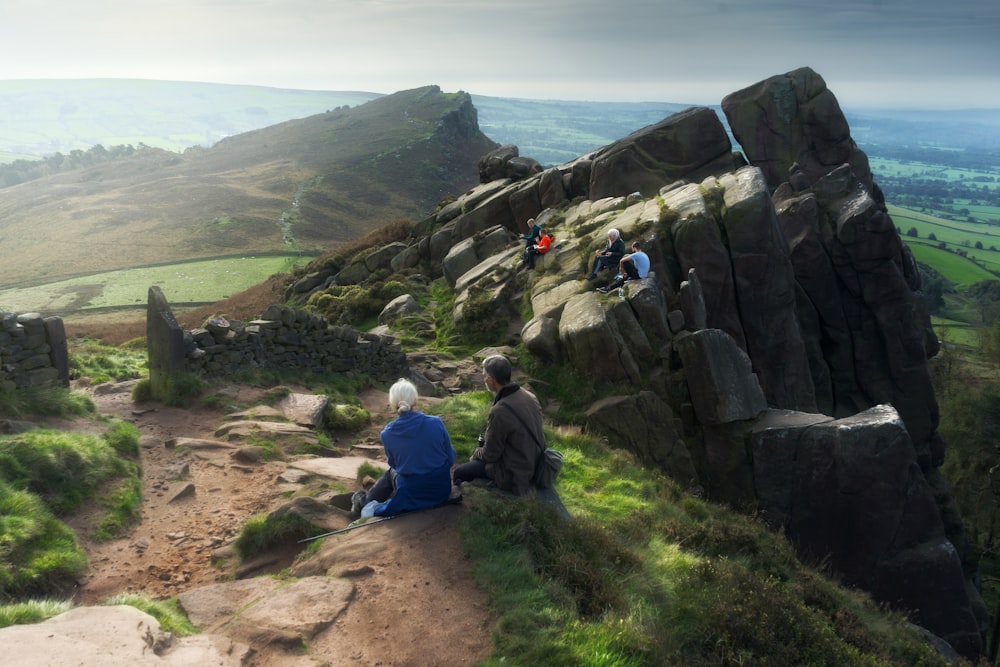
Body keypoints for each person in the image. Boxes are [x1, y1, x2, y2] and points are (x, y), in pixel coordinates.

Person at [351, 378, 457, 518]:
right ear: (415, 401)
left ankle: (363, 503)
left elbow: (395, 465)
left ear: (393, 404)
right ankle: (366, 502)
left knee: (390, 473)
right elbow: (451, 458)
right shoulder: (436, 423)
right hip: (441, 490)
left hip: (411, 492)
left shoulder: (387, 434)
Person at [453, 355, 545, 496]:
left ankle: (467, 499)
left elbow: (490, 455)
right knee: (482, 442)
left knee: (460, 472)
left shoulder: (500, 411)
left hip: (515, 473)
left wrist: (476, 453)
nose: (483, 379)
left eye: (483, 375)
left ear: (490, 379)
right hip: (535, 462)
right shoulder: (529, 396)